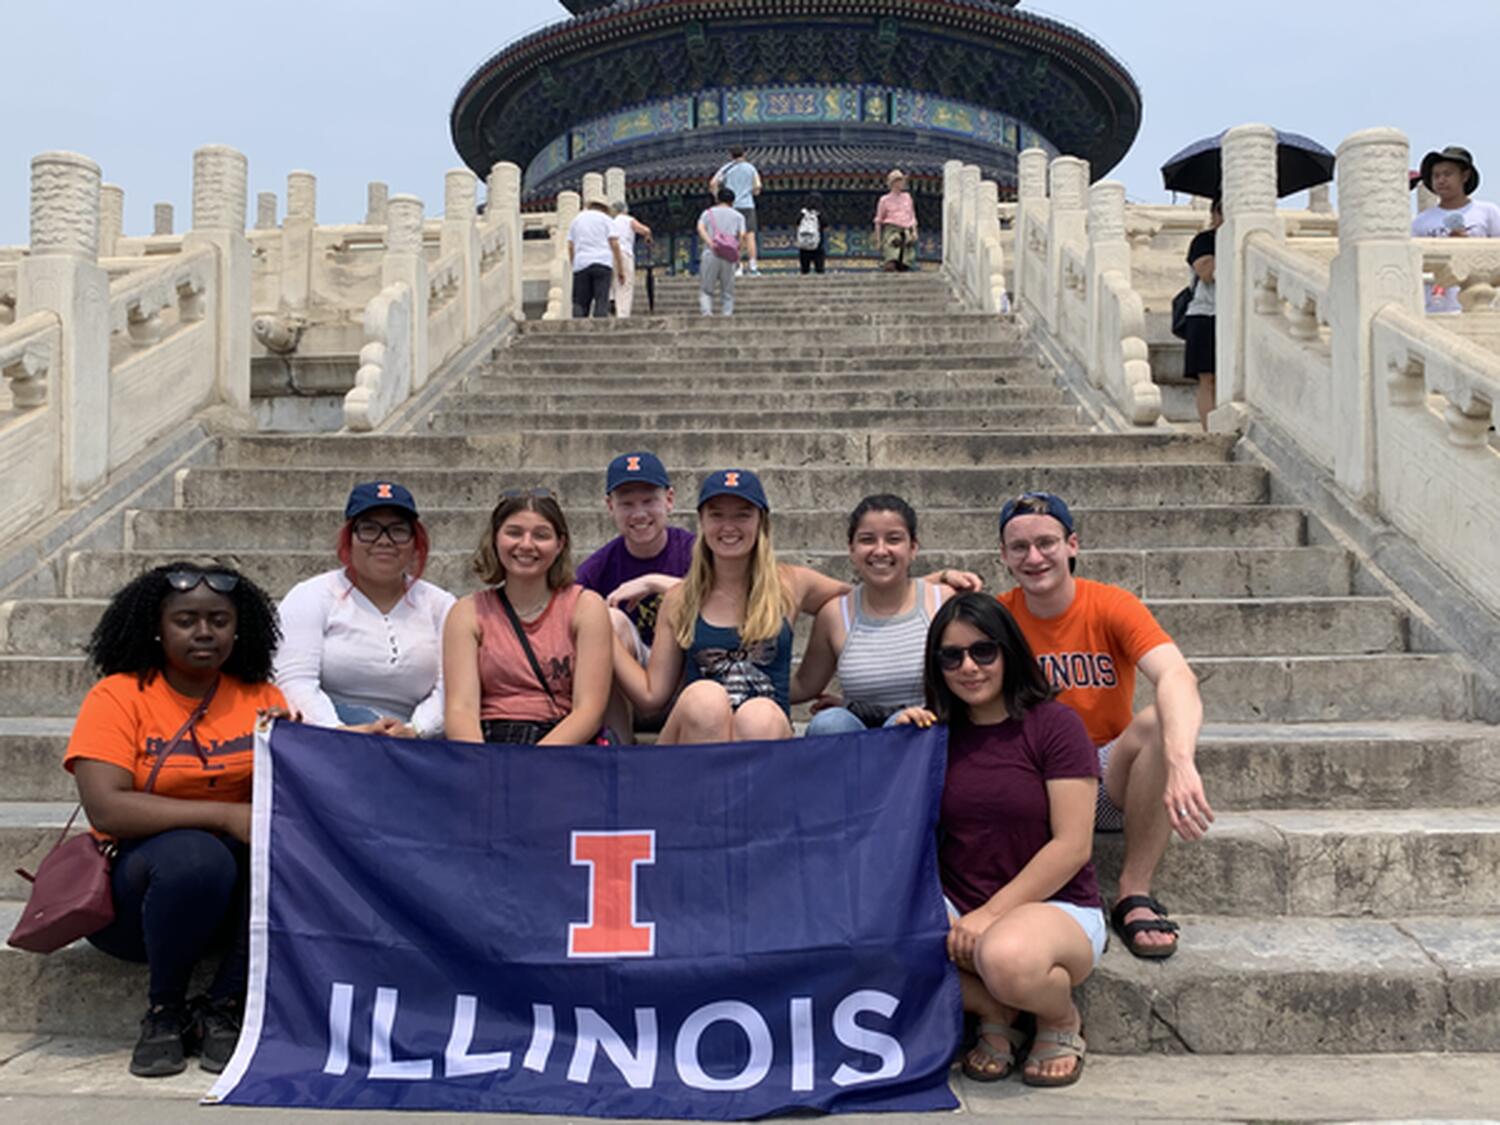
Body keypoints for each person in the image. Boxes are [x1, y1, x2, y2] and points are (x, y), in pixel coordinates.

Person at [65, 563, 285, 1077]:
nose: (204, 632)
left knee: (287, 850)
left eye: (219, 620)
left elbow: (286, 799)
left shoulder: (263, 699)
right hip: (135, 907)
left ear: (240, 627)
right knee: (195, 854)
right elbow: (107, 807)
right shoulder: (118, 696)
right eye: (186, 619)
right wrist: (226, 815)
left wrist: (294, 745)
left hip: (228, 909)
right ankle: (164, 1011)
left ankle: (223, 1006)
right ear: (158, 627)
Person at [894, 593, 1103, 1088]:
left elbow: (1073, 846)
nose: (968, 666)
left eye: (983, 651)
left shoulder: (1055, 725)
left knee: (1006, 959)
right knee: (871, 938)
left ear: (1009, 651)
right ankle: (996, 1010)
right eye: (951, 656)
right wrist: (895, 741)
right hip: (956, 904)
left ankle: (1058, 1018)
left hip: (1055, 905)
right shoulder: (937, 732)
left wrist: (990, 914)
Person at [995, 492, 1212, 960]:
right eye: (1019, 547)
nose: (1034, 557)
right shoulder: (999, 617)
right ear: (1003, 556)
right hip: (1036, 783)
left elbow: (1178, 675)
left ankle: (1133, 889)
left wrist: (1179, 762)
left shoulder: (1111, 605)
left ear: (1072, 544)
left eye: (1047, 542)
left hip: (1105, 781)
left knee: (1157, 720)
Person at [611, 469, 846, 743]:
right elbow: (652, 697)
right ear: (702, 521)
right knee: (705, 698)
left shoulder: (791, 584)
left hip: (765, 731)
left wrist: (854, 694)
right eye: (717, 515)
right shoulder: (680, 599)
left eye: (742, 515)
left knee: (760, 715)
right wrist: (603, 631)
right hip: (697, 734)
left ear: (762, 522)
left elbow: (857, 602)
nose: (729, 526)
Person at [274, 481, 455, 737]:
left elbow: (454, 686)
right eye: (369, 530)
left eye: (398, 530)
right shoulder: (312, 596)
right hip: (330, 738)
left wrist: (416, 730)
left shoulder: (441, 604)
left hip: (415, 743)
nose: (384, 541)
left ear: (415, 542)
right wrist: (344, 732)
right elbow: (294, 680)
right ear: (350, 538)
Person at [443, 489, 612, 745]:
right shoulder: (466, 612)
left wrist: (532, 763)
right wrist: (479, 764)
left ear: (560, 544)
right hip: (490, 743)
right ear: (496, 539)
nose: (526, 544)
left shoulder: (586, 607)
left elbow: (588, 710)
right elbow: (461, 709)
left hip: (560, 743)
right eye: (514, 533)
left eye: (541, 535)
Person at [792, 495, 953, 733]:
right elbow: (804, 685)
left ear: (913, 548)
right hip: (861, 742)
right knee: (829, 723)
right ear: (852, 549)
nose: (880, 550)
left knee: (903, 725)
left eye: (893, 539)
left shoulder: (942, 602)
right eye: (867, 540)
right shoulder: (835, 614)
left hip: (921, 735)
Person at [1411, 146, 1500, 314]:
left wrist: (1468, 245)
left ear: (1464, 176)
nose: (1441, 180)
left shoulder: (1488, 212)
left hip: (1482, 304)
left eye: (1447, 174)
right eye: (1436, 175)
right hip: (1435, 307)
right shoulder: (1421, 222)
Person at [1181, 197, 1222, 429]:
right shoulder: (1204, 240)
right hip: (1205, 315)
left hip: (1233, 315)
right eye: (1222, 210)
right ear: (1214, 213)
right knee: (1208, 378)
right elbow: (1206, 272)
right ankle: (1210, 430)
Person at [567, 196, 625, 318]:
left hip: (581, 263)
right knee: (601, 300)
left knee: (580, 302)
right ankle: (600, 330)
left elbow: (571, 246)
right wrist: (620, 268)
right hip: (602, 263)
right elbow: (614, 244)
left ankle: (578, 329)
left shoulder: (577, 220)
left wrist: (574, 263)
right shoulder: (606, 219)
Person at [710, 146, 762, 276]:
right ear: (744, 154)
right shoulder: (751, 168)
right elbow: (757, 186)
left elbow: (713, 183)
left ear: (731, 155)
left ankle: (738, 267)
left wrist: (718, 198)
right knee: (750, 236)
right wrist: (751, 192)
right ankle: (753, 267)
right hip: (748, 206)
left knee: (734, 238)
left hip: (731, 206)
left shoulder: (726, 168)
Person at [697, 188, 748, 317]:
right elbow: (742, 236)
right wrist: (738, 252)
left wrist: (710, 243)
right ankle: (727, 314)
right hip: (729, 256)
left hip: (711, 253)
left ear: (717, 199)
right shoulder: (738, 216)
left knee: (706, 288)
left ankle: (707, 312)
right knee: (728, 290)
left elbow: (700, 228)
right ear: (733, 201)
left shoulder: (707, 213)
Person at [609, 199, 652, 319]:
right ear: (625, 210)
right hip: (624, 253)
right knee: (626, 284)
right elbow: (645, 230)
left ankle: (614, 305)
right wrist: (648, 236)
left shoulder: (611, 222)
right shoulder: (628, 220)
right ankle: (623, 314)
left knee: (616, 283)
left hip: (611, 253)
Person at [874, 169, 918, 272]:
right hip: (892, 231)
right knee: (891, 259)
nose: (902, 183)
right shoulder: (884, 200)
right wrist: (878, 240)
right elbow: (878, 220)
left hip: (906, 230)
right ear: (894, 183)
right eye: (900, 181)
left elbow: (911, 215)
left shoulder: (907, 198)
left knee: (905, 261)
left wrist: (914, 231)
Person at [796, 191, 826, 275]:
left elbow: (796, 222)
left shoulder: (803, 212)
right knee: (819, 269)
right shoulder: (820, 213)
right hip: (817, 244)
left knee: (804, 269)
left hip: (804, 244)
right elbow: (825, 223)